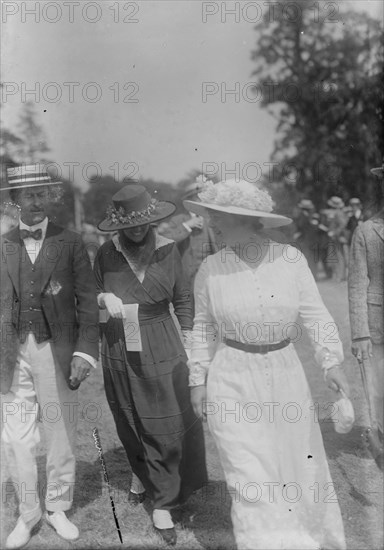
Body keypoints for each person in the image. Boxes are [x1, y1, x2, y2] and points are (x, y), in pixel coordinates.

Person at [185, 179, 349, 550]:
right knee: (247, 476)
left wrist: (331, 363)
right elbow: (201, 327)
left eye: (219, 218)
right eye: (211, 218)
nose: (213, 225)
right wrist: (198, 379)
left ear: (247, 220)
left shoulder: (290, 260)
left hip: (284, 373)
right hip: (231, 377)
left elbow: (315, 315)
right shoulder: (211, 268)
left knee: (296, 467)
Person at [93, 184, 207, 546]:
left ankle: (164, 502)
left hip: (161, 339)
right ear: (118, 227)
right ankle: (143, 473)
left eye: (144, 223)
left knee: (167, 421)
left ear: (154, 220)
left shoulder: (168, 250)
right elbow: (87, 300)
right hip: (117, 344)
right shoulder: (105, 255)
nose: (137, 230)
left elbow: (184, 298)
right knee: (129, 416)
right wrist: (102, 297)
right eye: (129, 226)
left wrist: (190, 342)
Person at [1, 165, 99, 549]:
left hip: (56, 349)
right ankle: (28, 514)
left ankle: (58, 506)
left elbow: (88, 301)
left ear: (50, 196)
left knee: (59, 432)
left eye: (42, 193)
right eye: (29, 195)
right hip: (12, 352)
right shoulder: (4, 242)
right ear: (16, 201)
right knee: (16, 438)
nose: (37, 201)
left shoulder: (71, 241)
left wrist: (86, 352)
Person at [348, 163, 383, 468]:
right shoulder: (366, 231)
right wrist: (360, 333)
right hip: (376, 323)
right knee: (378, 387)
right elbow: (358, 283)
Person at [157, 175, 218, 302]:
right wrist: (187, 226)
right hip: (185, 283)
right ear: (190, 199)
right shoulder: (178, 220)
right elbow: (163, 241)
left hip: (211, 280)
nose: (204, 200)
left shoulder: (213, 221)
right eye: (201, 196)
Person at [294, 199, 320, 278]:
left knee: (310, 258)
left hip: (308, 240)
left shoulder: (305, 215)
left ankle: (312, 275)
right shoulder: (303, 216)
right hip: (307, 240)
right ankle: (312, 275)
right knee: (309, 258)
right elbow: (301, 226)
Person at [325, 196, 349, 281]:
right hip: (334, 238)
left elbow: (342, 225)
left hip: (338, 238)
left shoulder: (338, 213)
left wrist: (334, 233)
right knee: (335, 257)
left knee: (339, 257)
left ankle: (341, 276)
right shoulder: (336, 212)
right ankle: (338, 275)